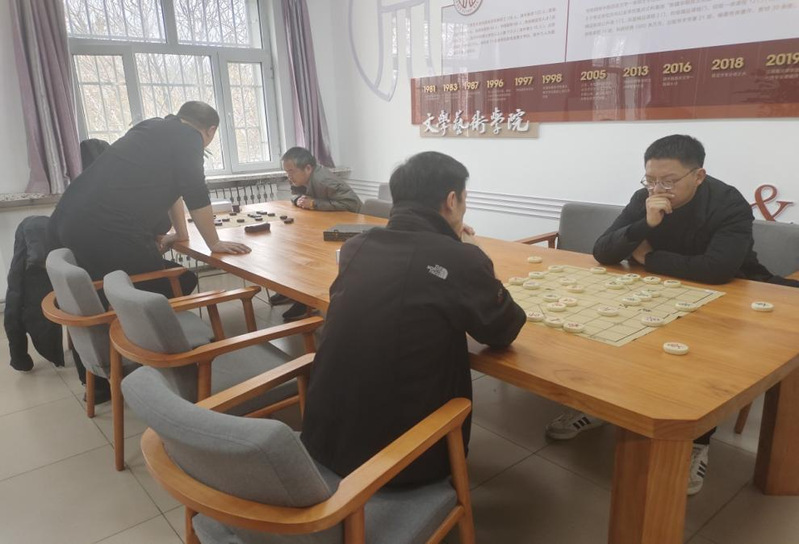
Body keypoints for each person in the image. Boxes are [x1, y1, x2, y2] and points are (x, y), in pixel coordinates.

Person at [545, 134, 794, 496]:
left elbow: (717, 269)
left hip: (728, 292)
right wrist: (645, 224)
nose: (658, 189)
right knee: (608, 334)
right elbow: (602, 251)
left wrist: (648, 257)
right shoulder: (644, 199)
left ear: (698, 175)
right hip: (658, 289)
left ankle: (698, 442)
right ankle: (600, 406)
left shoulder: (729, 203)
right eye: (650, 180)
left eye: (669, 181)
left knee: (700, 358)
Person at [301, 151, 526, 486]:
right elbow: (504, 329)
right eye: (465, 200)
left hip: (323, 440)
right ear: (452, 200)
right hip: (400, 462)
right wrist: (472, 252)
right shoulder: (461, 258)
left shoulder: (356, 246)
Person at [48, 101, 251, 399]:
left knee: (92, 299)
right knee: (155, 296)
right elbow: (195, 191)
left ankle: (100, 382)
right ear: (210, 130)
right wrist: (214, 243)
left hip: (69, 217)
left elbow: (176, 189)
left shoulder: (153, 127)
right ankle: (173, 377)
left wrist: (181, 234)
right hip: (105, 228)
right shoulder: (189, 138)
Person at [271, 146, 363, 321]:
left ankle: (307, 300)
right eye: (286, 172)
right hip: (323, 223)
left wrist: (314, 204)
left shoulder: (323, 180)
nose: (289, 176)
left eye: (291, 171)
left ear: (308, 168)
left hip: (345, 228)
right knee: (294, 249)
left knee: (307, 257)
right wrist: (300, 200)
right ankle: (294, 291)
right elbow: (297, 197)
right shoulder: (302, 179)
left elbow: (353, 205)